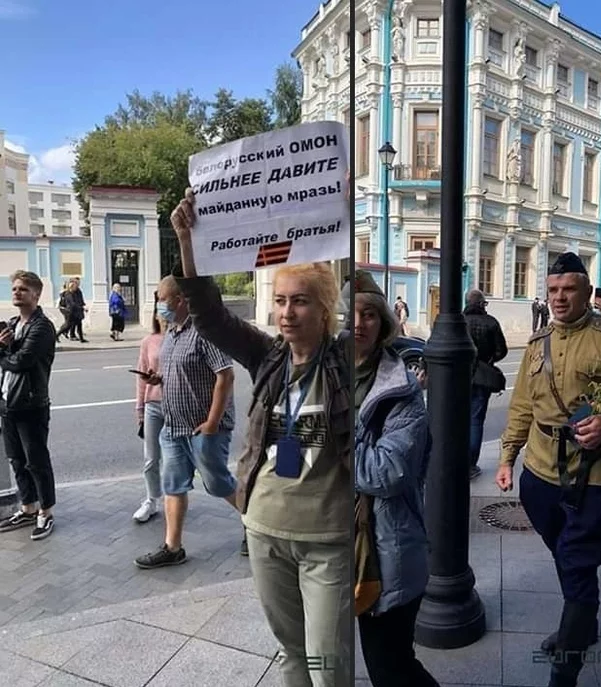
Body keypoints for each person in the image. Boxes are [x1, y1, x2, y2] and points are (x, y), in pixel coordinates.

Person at [168, 189, 353, 687]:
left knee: (328, 661)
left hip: (327, 539)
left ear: (325, 308)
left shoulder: (344, 362)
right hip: (264, 527)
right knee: (291, 653)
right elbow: (211, 316)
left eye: (300, 302)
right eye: (280, 301)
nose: (287, 312)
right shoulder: (267, 355)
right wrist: (188, 239)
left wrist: (342, 220)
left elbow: (370, 312)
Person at [496, 252, 601, 687]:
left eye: (568, 289)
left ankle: (564, 670)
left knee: (575, 562)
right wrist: (507, 457)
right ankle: (582, 622)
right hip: (540, 472)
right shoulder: (537, 345)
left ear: (588, 292)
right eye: (552, 290)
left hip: (597, 474)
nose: (559, 298)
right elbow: (521, 408)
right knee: (567, 558)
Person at [354, 270, 438, 687]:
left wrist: (338, 426)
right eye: (348, 314)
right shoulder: (314, 383)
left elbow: (385, 474)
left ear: (384, 321)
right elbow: (294, 460)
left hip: (386, 553)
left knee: (391, 667)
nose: (357, 323)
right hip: (330, 549)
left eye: (368, 313)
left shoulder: (402, 393)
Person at [134, 276, 237, 569]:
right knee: (173, 486)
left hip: (204, 428)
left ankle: (256, 525)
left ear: (180, 300)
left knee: (218, 483)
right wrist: (158, 379)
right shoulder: (173, 333)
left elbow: (225, 375)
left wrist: (213, 423)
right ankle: (172, 547)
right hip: (174, 426)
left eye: (162, 299)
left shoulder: (205, 332)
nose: (159, 305)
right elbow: (181, 372)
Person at [0, 271, 58, 540]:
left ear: (36, 294)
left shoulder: (42, 327)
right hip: (9, 405)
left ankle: (45, 512)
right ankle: (27, 507)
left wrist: (2, 350)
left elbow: (21, 362)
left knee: (36, 462)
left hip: (32, 405)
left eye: (23, 289)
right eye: (14, 288)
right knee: (16, 460)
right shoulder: (13, 323)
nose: (17, 292)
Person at [462, 289, 507, 479]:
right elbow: (501, 351)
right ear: (481, 304)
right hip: (481, 378)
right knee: (475, 420)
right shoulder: (491, 322)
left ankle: (456, 459)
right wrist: (487, 360)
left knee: (456, 420)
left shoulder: (457, 321)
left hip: (457, 378)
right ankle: (471, 465)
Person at [133, 292, 166, 523]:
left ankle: (176, 498)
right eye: (159, 308)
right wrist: (140, 409)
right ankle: (151, 500)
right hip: (153, 404)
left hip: (178, 405)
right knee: (151, 458)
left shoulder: (182, 337)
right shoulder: (149, 341)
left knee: (179, 460)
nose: (162, 313)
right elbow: (141, 376)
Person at [69, 277, 88, 343]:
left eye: (78, 283)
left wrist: (83, 305)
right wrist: (81, 307)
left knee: (78, 324)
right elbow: (73, 303)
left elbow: (80, 299)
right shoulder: (70, 292)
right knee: (70, 325)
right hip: (73, 311)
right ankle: (71, 335)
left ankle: (80, 338)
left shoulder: (78, 291)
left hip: (78, 310)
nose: (78, 284)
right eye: (77, 283)